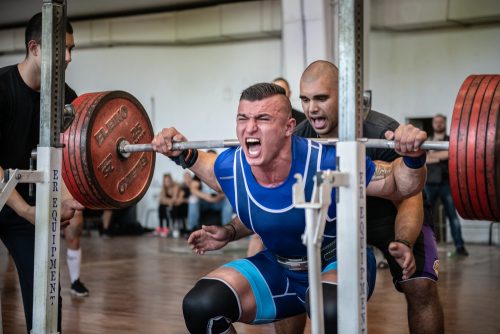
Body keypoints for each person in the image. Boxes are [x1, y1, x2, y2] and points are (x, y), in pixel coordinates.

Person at [152, 82, 428, 333]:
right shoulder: (231, 166)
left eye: (262, 119)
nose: (249, 129)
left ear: (288, 127)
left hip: (337, 261)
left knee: (330, 309)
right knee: (201, 305)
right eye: (242, 119)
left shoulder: (327, 160)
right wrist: (178, 148)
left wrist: (413, 157)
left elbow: (397, 182)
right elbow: (200, 162)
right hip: (280, 267)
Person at [280, 60, 442, 334]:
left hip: (391, 213)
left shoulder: (382, 133)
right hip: (337, 219)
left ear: (345, 96)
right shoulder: (299, 139)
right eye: (305, 99)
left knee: (420, 286)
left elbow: (409, 197)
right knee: (289, 284)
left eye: (321, 98)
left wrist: (404, 240)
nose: (312, 109)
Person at [0, 13, 84, 332]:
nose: (68, 58)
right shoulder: (2, 87)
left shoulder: (67, 99)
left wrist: (67, 200)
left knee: (46, 299)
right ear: (34, 48)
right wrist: (27, 211)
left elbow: (68, 159)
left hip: (28, 210)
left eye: (72, 49)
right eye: (61, 49)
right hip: (19, 205)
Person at [426, 114, 468, 256]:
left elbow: (455, 153)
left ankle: (460, 246)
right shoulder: (427, 140)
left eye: (440, 122)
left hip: (447, 183)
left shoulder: (452, 140)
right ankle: (424, 246)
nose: (438, 124)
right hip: (430, 183)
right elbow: (424, 158)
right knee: (424, 215)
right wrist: (444, 154)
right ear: (433, 124)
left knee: (452, 216)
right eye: (436, 122)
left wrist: (434, 156)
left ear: (445, 123)